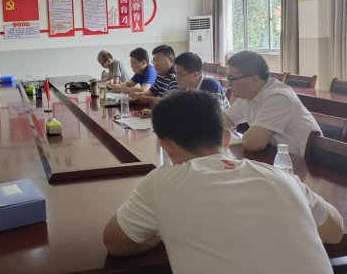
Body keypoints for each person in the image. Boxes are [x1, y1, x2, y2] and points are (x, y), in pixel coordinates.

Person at [103, 91, 343, 273]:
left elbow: (114, 244)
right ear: (226, 139)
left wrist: (153, 240)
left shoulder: (161, 183)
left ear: (167, 147)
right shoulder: (282, 177)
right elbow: (334, 231)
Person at [223, 51, 319, 156]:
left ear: (254, 79)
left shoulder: (279, 97)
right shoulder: (247, 96)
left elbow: (252, 143)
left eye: (232, 79)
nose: (228, 84)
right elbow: (227, 119)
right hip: (275, 156)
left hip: (302, 162)